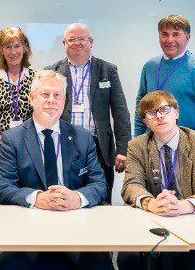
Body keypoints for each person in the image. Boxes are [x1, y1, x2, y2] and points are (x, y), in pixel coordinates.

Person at [0, 70, 110, 270]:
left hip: (75, 226)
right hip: (28, 228)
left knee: (100, 264)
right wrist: (37, 198)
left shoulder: (82, 137)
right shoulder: (13, 139)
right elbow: (2, 187)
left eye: (57, 95)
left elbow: (99, 184)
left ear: (64, 100)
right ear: (32, 98)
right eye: (44, 94)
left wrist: (78, 198)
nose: (51, 101)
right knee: (9, 266)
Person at [119, 90, 195, 270]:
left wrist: (184, 206)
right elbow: (131, 185)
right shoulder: (137, 146)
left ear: (176, 113)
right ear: (145, 121)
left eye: (165, 109)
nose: (159, 116)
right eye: (152, 113)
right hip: (154, 222)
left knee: (187, 263)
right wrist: (150, 203)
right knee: (128, 258)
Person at [45, 22, 131, 201]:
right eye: (72, 39)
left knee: (100, 198)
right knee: (63, 197)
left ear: (90, 42)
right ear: (64, 43)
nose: (77, 43)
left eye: (82, 39)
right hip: (62, 144)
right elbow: (44, 110)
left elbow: (120, 111)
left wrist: (123, 149)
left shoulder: (107, 70)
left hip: (98, 146)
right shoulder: (51, 71)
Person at [134, 15, 195, 158]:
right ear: (159, 37)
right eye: (164, 34)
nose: (169, 40)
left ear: (187, 38)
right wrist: (137, 141)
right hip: (156, 147)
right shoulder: (150, 67)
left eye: (176, 34)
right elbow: (141, 107)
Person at [0, 27, 34, 179]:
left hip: (27, 148)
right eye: (8, 47)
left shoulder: (35, 78)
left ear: (25, 48)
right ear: (1, 50)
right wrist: (2, 141)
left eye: (17, 46)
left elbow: (36, 113)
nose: (13, 51)